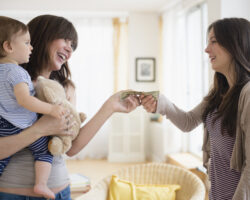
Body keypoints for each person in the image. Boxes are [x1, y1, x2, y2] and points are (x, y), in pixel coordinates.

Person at [0, 15, 139, 200]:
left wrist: (110, 107)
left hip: (59, 191)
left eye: (73, 46)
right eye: (65, 39)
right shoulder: (8, 83)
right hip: (11, 193)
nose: (69, 49)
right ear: (42, 36)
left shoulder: (65, 88)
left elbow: (71, 148)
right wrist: (40, 129)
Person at [140, 18, 250, 200]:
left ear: (235, 44)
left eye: (213, 41)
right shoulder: (219, 93)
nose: (207, 49)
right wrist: (160, 102)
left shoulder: (247, 94)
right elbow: (188, 122)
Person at [0, 16, 69, 199]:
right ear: (9, 47)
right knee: (43, 151)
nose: (31, 47)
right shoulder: (18, 72)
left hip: (3, 125)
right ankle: (41, 184)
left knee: (2, 160)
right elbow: (24, 100)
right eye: (27, 43)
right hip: (19, 124)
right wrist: (50, 110)